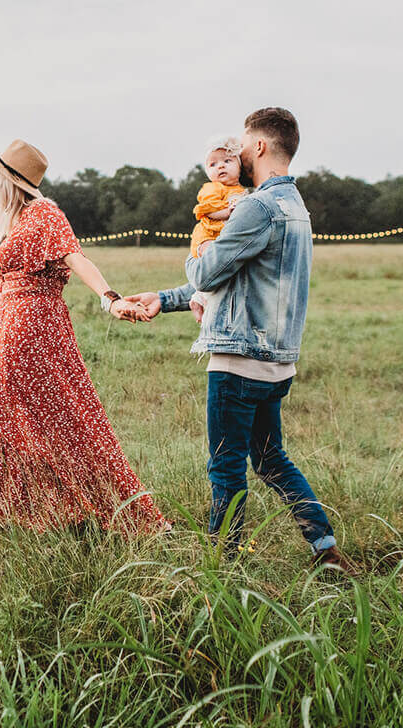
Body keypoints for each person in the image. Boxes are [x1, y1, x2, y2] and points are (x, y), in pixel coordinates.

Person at [125, 108, 346, 569]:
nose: (238, 153)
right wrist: (163, 299)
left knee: (226, 467)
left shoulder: (257, 206)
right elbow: (236, 281)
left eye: (243, 145)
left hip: (238, 361)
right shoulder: (296, 208)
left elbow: (207, 271)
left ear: (260, 147)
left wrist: (198, 248)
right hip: (277, 362)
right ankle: (324, 548)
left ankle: (222, 567)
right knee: (269, 460)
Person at [0, 139, 169, 534]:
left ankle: (78, 509)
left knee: (64, 419)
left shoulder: (45, 213)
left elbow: (76, 256)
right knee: (10, 419)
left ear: (9, 181)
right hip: (13, 329)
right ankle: (16, 513)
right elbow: (2, 291)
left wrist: (109, 298)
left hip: (34, 329)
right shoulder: (18, 222)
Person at [188, 136, 248, 313]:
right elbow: (208, 210)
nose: (220, 166)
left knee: (223, 266)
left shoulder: (241, 191)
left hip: (223, 235)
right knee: (212, 261)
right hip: (208, 234)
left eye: (227, 161)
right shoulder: (212, 188)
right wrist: (228, 213)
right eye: (213, 164)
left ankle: (199, 297)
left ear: (239, 166)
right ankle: (202, 298)